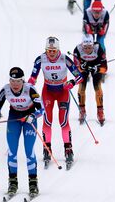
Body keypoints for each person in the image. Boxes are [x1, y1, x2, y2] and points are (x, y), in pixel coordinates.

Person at [28, 36, 82, 167]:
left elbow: (80, 76)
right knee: (47, 120)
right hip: (48, 92)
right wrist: (28, 87)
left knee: (63, 121)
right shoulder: (40, 59)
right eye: (49, 50)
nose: (51, 53)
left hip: (63, 91)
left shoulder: (64, 59)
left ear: (58, 49)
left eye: (54, 51)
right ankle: (47, 148)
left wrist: (72, 82)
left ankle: (68, 149)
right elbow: (32, 78)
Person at [0, 67, 44, 198]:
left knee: (29, 151)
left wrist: (33, 116)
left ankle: (33, 183)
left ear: (23, 81)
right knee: (12, 151)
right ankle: (12, 183)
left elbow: (41, 109)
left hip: (29, 118)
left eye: (18, 81)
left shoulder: (30, 89)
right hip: (14, 117)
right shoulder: (5, 89)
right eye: (12, 80)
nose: (15, 84)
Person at [73, 34, 107, 126]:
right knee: (81, 88)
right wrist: (81, 67)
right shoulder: (77, 50)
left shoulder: (99, 48)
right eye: (85, 47)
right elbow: (75, 69)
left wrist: (98, 69)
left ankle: (100, 111)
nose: (87, 50)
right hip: (84, 69)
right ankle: (82, 110)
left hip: (96, 67)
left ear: (93, 45)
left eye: (90, 47)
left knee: (98, 88)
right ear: (82, 45)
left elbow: (105, 67)